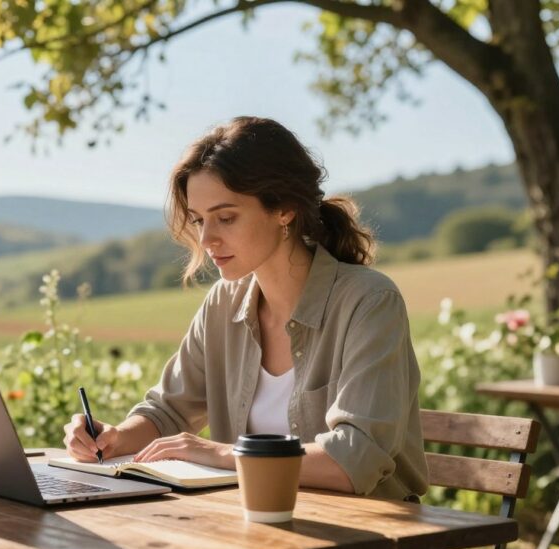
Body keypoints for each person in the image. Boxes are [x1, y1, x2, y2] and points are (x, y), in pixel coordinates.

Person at [63, 116, 428, 502]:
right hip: (254, 529)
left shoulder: (368, 302)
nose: (206, 239)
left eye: (226, 218)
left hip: (366, 540)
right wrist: (116, 437)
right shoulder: (223, 303)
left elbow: (355, 460)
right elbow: (166, 411)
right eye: (200, 220)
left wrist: (222, 454)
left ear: (284, 209)